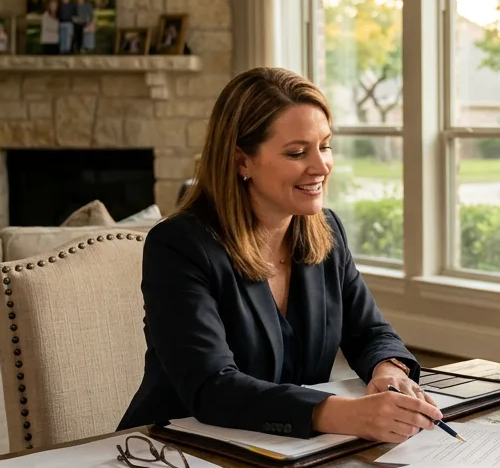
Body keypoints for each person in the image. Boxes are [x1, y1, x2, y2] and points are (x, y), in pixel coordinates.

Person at [118, 67, 441, 443]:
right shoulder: (178, 246)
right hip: (175, 452)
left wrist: (389, 371)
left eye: (325, 145)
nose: (321, 166)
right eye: (297, 152)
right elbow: (211, 387)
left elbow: (369, 332)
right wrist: (343, 413)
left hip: (286, 452)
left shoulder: (326, 230)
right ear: (242, 161)